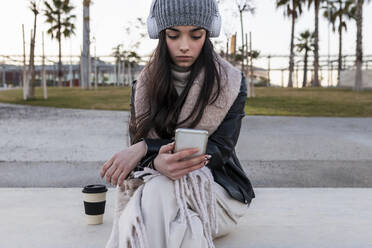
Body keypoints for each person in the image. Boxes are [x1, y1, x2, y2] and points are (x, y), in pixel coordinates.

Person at [100, 0, 255, 247]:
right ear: (161, 35)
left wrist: (145, 148)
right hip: (160, 192)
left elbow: (220, 150)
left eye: (196, 35)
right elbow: (143, 157)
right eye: (174, 35)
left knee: (156, 195)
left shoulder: (231, 83)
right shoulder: (142, 86)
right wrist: (155, 161)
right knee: (173, 211)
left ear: (209, 33)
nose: (185, 46)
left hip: (217, 195)